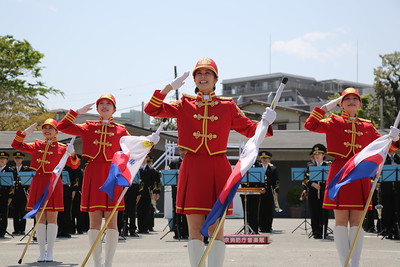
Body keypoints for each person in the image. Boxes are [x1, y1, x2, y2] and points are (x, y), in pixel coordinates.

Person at [144, 57, 276, 267]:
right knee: (194, 229)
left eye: (208, 73)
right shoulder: (183, 104)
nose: (203, 77)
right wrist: (169, 87)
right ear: (194, 79)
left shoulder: (228, 106)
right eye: (199, 73)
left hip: (218, 168)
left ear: (216, 79)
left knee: (216, 229)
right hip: (192, 168)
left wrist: (265, 122)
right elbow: (151, 110)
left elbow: (251, 131)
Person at [304, 88, 400, 267]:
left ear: (360, 104)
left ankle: (355, 262)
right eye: (346, 99)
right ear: (340, 104)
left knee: (357, 221)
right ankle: (344, 263)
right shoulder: (332, 121)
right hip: (340, 172)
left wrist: (394, 138)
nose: (351, 101)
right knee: (341, 220)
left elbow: (387, 147)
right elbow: (310, 125)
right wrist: (325, 108)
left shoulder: (368, 126)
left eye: (355, 98)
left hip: (360, 173)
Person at [57, 93, 130, 267]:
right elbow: (62, 126)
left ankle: (108, 263)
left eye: (108, 104)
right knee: (95, 220)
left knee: (112, 220)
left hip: (113, 175)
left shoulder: (121, 129)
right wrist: (76, 112)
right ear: (97, 109)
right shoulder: (88, 126)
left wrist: (149, 142)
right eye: (101, 104)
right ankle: (97, 262)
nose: (104, 106)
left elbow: (134, 147)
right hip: (93, 173)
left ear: (114, 109)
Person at [11, 119, 80, 262]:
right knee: (39, 219)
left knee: (52, 218)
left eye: (51, 128)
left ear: (57, 131)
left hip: (53, 183)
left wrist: (72, 154)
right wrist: (25, 133)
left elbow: (74, 166)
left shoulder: (62, 148)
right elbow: (16, 145)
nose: (47, 130)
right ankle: (42, 252)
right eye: (45, 128)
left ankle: (50, 252)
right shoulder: (36, 145)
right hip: (38, 182)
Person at [301, 144, 330, 239]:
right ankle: (315, 232)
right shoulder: (310, 166)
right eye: (315, 154)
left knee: (324, 213)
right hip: (313, 193)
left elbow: (332, 180)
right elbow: (305, 179)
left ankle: (323, 232)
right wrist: (313, 184)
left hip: (324, 193)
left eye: (319, 154)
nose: (317, 156)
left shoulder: (328, 166)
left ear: (323, 155)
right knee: (314, 212)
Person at [256, 151, 279, 234]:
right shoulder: (257, 167)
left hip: (269, 192)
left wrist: (276, 192)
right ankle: (261, 226)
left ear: (269, 159)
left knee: (269, 210)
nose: (264, 160)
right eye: (262, 158)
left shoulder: (273, 169)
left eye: (265, 158)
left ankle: (268, 227)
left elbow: (276, 181)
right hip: (259, 192)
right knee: (260, 210)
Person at [137, 155, 161, 234]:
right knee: (139, 210)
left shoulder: (151, 170)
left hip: (147, 192)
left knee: (147, 210)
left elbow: (154, 182)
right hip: (139, 192)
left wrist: (155, 192)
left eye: (145, 159)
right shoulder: (138, 169)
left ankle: (146, 227)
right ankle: (140, 228)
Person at [169, 148, 189, 239]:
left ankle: (186, 231)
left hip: (188, 189)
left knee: (187, 211)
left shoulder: (190, 161)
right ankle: (177, 231)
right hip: (176, 189)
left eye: (185, 150)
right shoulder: (174, 162)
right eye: (181, 150)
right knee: (176, 210)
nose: (183, 152)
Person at [381, 151, 400, 239]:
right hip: (386, 189)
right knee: (387, 210)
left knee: (397, 209)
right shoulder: (383, 157)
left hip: (398, 188)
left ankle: (397, 230)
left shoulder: (398, 158)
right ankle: (388, 230)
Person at [10, 151, 30, 235]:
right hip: (14, 193)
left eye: (20, 158)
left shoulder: (26, 169)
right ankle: (16, 229)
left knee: (22, 211)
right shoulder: (11, 170)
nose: (18, 160)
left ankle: (22, 229)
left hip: (23, 193)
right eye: (16, 158)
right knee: (15, 212)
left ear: (22, 159)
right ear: (14, 160)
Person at [0, 151, 13, 238]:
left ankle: (2, 231)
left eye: (3, 159)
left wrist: (10, 197)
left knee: (4, 214)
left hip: (4, 196)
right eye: (0, 159)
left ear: (7, 161)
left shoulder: (9, 170)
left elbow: (12, 186)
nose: (1, 160)